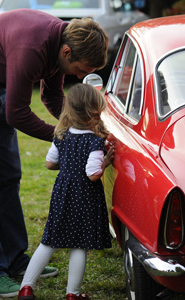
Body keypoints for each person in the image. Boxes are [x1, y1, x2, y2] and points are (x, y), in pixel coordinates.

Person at [0, 9, 108, 298]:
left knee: (10, 176)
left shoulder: (60, 46)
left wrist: (89, 127)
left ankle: (16, 261)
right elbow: (17, 114)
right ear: (67, 52)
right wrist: (65, 137)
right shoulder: (33, 47)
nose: (79, 76)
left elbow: (52, 97)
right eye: (81, 69)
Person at [18, 83, 115, 300]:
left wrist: (70, 164)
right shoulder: (94, 142)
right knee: (79, 244)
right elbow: (92, 174)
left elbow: (50, 164)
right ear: (94, 113)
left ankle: (26, 288)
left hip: (62, 194)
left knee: (49, 240)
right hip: (85, 196)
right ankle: (73, 294)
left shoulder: (61, 136)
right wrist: (106, 162)